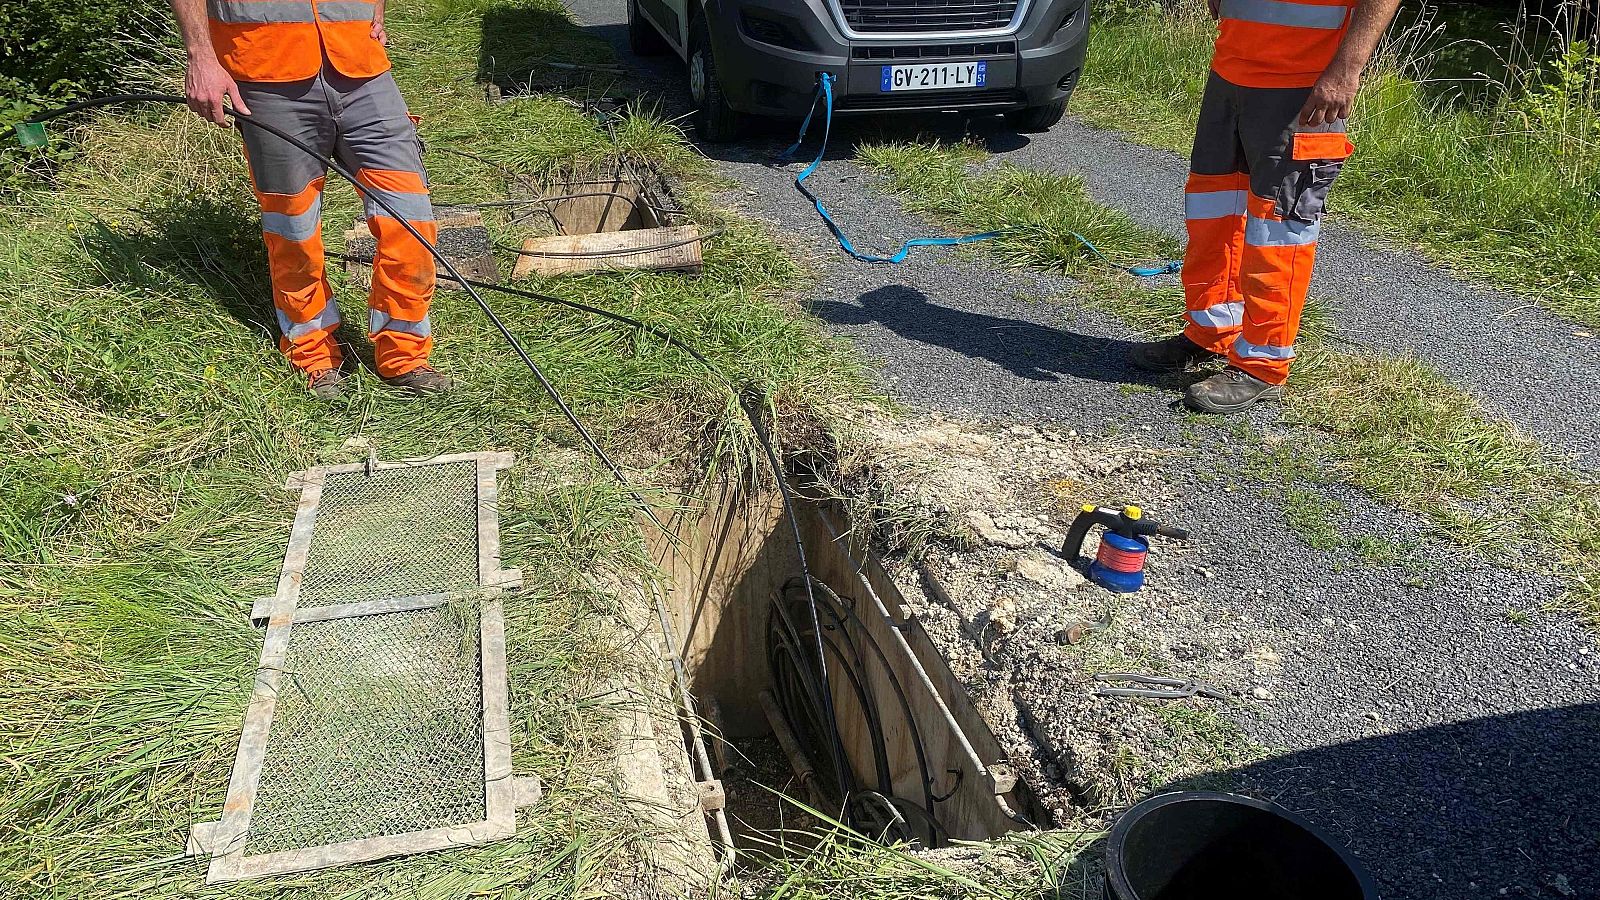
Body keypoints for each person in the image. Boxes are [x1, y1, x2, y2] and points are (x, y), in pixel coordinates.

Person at [169, 0, 451, 399]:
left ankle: (404, 355)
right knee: (293, 231)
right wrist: (201, 56)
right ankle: (314, 355)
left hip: (361, 65)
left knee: (411, 218)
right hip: (266, 73)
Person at [1129, 0, 1401, 413]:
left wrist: (1346, 69)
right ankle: (1212, 331)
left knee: (1278, 233)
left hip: (1304, 89)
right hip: (1230, 74)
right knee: (1213, 215)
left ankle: (1262, 364)